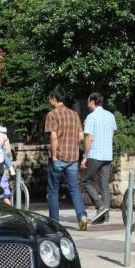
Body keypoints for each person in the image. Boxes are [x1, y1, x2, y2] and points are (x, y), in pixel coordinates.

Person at [45, 88, 88, 230]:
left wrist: (54, 155)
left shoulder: (52, 114)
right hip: (73, 157)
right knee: (74, 188)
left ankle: (55, 222)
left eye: (49, 98)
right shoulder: (74, 114)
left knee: (53, 190)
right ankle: (82, 216)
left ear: (53, 99)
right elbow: (81, 137)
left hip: (59, 156)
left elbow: (53, 136)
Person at [81, 92, 117, 224]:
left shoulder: (91, 117)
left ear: (92, 101)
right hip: (107, 155)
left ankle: (100, 206)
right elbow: (112, 134)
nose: (87, 103)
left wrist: (85, 156)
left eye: (88, 100)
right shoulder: (110, 116)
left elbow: (88, 138)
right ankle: (105, 217)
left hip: (95, 155)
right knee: (104, 186)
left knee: (85, 181)